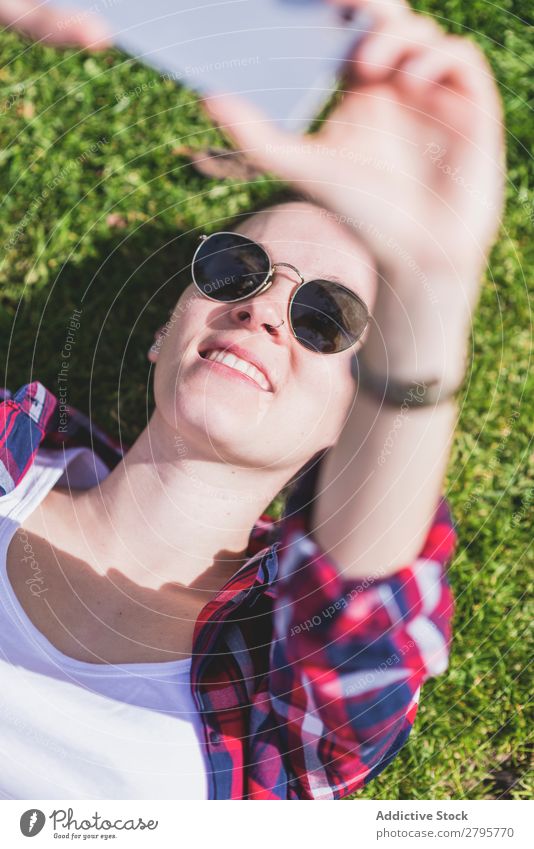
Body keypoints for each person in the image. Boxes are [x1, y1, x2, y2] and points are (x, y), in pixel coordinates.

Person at [0, 0, 503, 800]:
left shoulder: (276, 694)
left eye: (324, 319)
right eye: (238, 269)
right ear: (166, 330)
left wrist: (433, 286)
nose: (265, 309)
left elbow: (366, 622)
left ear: (356, 409)